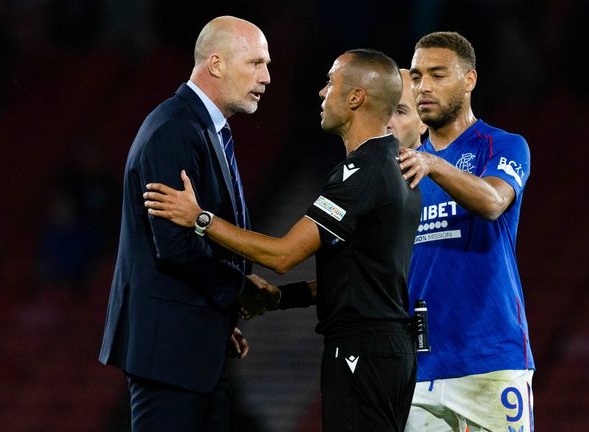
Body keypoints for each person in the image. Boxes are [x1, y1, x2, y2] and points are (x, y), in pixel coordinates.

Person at [143, 48, 422, 431]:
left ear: (356, 97)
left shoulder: (362, 173)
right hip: (384, 350)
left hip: (364, 350)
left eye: (331, 83)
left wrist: (200, 219)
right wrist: (281, 298)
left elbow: (282, 254)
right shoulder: (393, 166)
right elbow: (363, 278)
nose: (322, 93)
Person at [98, 16, 272, 432]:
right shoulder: (174, 129)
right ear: (216, 63)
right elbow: (175, 246)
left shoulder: (199, 128)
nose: (266, 77)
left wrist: (215, 317)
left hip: (193, 344)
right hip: (168, 352)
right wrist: (237, 292)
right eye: (256, 63)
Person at [398, 31, 535, 432]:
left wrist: (433, 164)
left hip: (491, 361)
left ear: (469, 80)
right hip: (420, 368)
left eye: (438, 75)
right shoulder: (404, 168)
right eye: (418, 76)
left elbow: (492, 202)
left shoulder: (503, 146)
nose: (424, 87)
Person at [387, 68, 427, 149]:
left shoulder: (444, 160)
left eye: (399, 112)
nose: (387, 124)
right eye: (382, 111)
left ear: (424, 122)